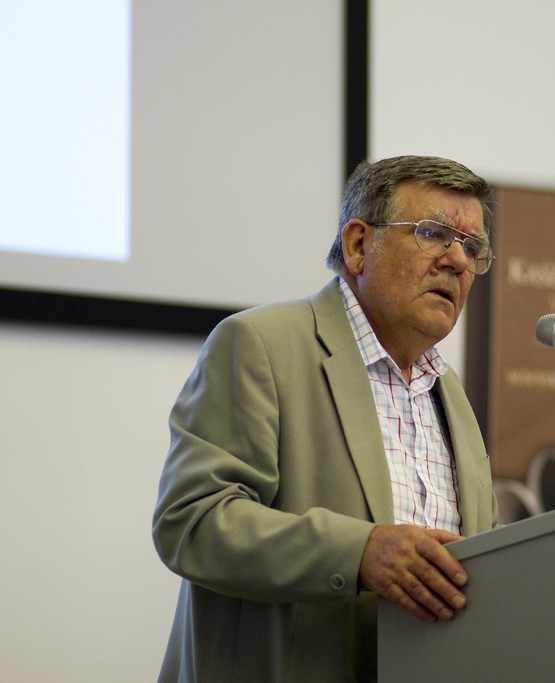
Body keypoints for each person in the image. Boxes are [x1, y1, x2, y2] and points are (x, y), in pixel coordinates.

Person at [152, 155, 500, 682]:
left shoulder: (450, 395)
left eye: (472, 247)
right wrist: (359, 552)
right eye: (433, 234)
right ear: (358, 245)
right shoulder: (260, 345)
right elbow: (192, 522)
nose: (457, 261)